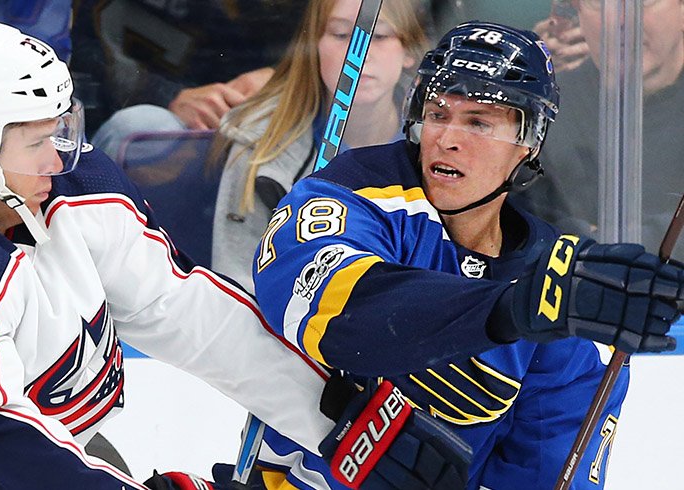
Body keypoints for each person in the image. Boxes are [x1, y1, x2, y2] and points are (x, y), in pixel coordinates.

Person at [0, 18, 472, 489]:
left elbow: (182, 310)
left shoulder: (70, 186)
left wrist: (341, 417)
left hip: (64, 452)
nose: (63, 150)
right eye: (37, 137)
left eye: (62, 125)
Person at [246, 21, 683, 489]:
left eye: (479, 122)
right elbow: (340, 319)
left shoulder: (557, 283)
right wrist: (512, 309)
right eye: (437, 113)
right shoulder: (351, 195)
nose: (447, 137)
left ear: (529, 142)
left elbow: (545, 473)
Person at [211, 0, 429, 292]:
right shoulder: (262, 144)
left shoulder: (440, 147)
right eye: (341, 35)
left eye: (378, 36)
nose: (359, 53)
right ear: (314, 46)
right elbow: (235, 284)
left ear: (409, 50)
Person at [519, 0, 684, 259]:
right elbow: (521, 227)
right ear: (578, 13)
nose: (622, 21)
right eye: (600, 3)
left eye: (646, 2)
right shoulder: (540, 112)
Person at [73, 0, 303, 157]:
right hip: (116, 127)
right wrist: (169, 96)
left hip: (243, 120)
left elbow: (323, 33)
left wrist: (281, 75)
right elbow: (76, 52)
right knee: (142, 126)